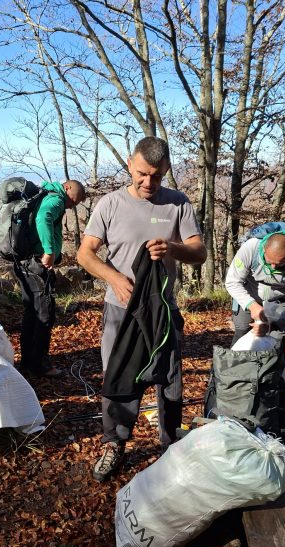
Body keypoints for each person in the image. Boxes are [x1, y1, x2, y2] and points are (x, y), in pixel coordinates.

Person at [77, 136, 206, 482]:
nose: (148, 183)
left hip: (162, 309)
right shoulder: (109, 204)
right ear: (130, 167)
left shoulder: (178, 204)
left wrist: (173, 248)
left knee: (170, 378)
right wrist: (115, 278)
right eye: (142, 174)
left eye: (157, 176)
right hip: (119, 310)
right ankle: (114, 443)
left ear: (166, 172)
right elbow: (85, 254)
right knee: (119, 376)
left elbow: (199, 252)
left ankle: (170, 445)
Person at [15, 179, 86, 378]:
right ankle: (39, 365)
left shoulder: (44, 195)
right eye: (75, 199)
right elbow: (43, 217)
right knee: (44, 314)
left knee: (32, 312)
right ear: (67, 188)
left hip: (25, 262)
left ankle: (28, 362)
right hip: (37, 263)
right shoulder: (55, 200)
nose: (74, 204)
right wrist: (48, 251)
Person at [225, 231, 285, 346]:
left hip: (279, 298)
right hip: (249, 293)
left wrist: (272, 325)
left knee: (276, 339)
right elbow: (232, 282)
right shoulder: (251, 248)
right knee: (242, 329)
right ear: (264, 249)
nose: (273, 267)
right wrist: (252, 306)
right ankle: (236, 362)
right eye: (269, 262)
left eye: (280, 263)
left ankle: (272, 362)